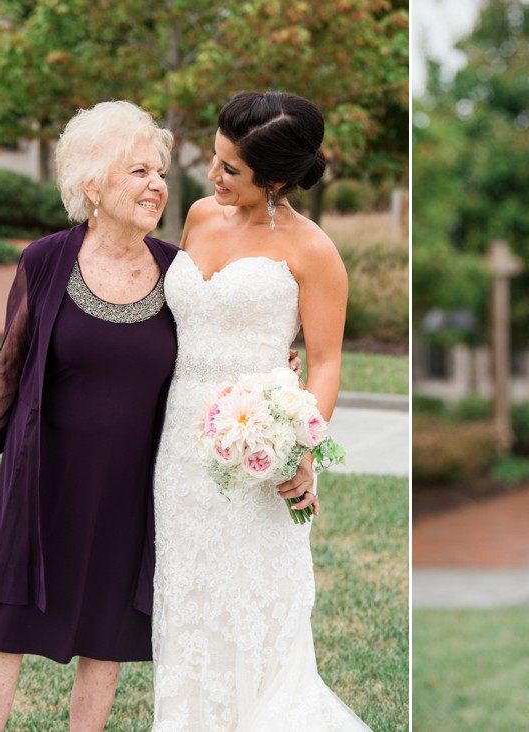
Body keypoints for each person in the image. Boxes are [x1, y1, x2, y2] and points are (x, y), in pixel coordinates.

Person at [151, 90, 368, 730]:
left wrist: (298, 451)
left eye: (230, 170)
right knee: (187, 597)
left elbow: (325, 360)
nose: (212, 177)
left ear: (275, 179)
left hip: (258, 450)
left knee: (253, 600)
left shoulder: (313, 250)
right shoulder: (196, 216)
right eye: (214, 161)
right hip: (178, 449)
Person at [0, 101, 178, 731]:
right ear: (93, 186)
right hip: (42, 477)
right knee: (5, 624)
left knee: (106, 634)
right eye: (138, 171)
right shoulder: (45, 260)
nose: (157, 184)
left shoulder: (178, 271)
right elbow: (10, 360)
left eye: (160, 171)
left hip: (130, 488)